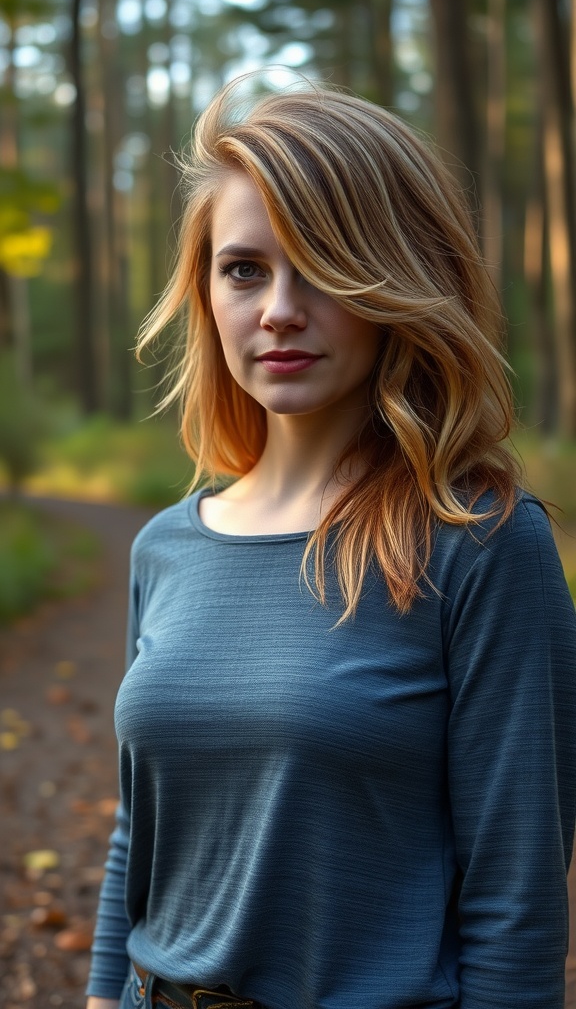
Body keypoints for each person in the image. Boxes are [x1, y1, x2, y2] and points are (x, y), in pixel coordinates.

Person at [86, 74, 576, 1009]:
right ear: (205, 292)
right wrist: (104, 993)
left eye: (321, 264)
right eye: (244, 269)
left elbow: (517, 900)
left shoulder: (481, 545)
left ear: (397, 280)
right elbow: (139, 830)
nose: (277, 308)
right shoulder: (165, 548)